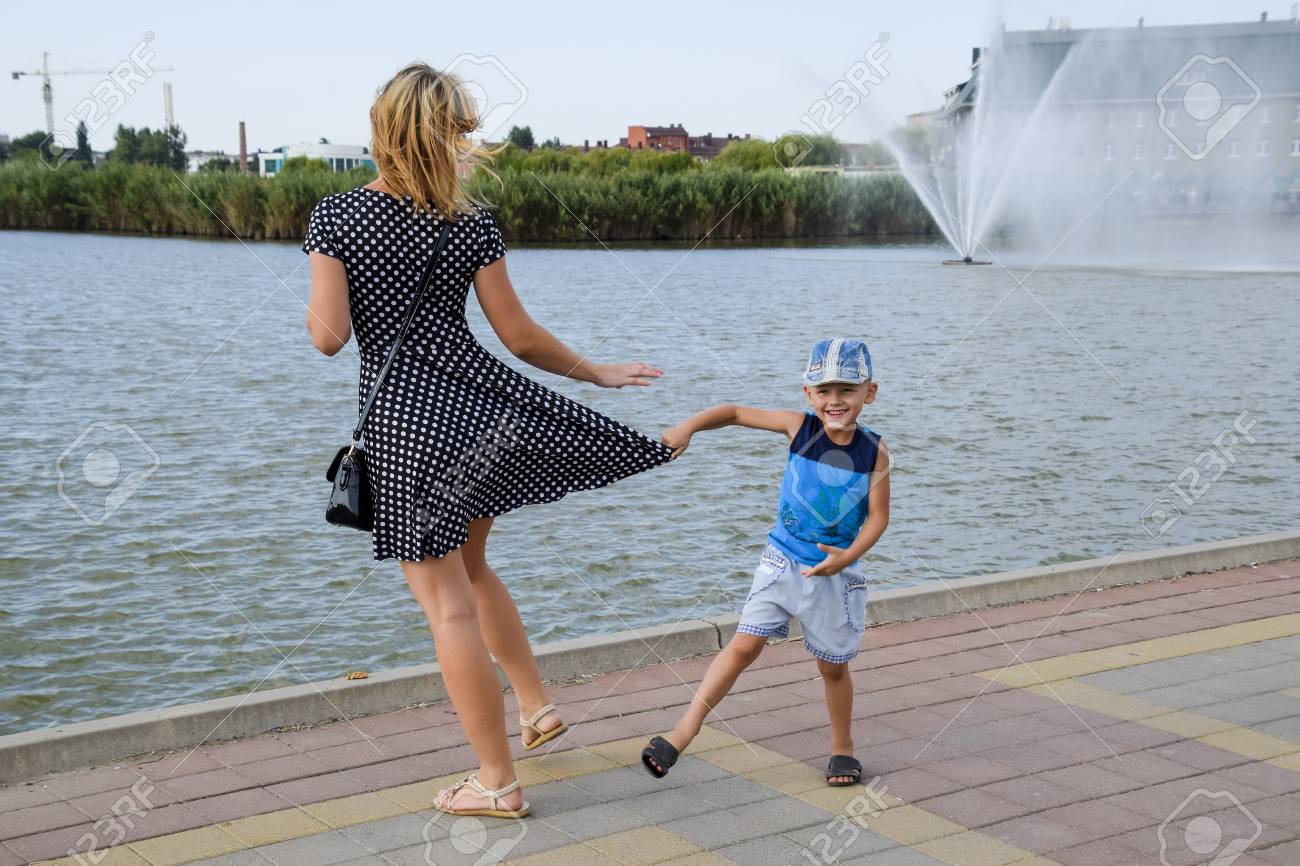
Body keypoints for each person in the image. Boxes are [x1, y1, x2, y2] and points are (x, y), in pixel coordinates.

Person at [303, 63, 673, 818]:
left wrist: (327, 280)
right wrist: (597, 373)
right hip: (482, 416)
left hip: (408, 427)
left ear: (381, 131)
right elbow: (519, 336)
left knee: (447, 608)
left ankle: (497, 782)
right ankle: (536, 706)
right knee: (471, 569)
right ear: (449, 135)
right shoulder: (471, 222)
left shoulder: (338, 216)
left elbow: (327, 338)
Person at [641, 338, 890, 787]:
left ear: (868, 393)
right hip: (780, 562)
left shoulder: (874, 452)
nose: (835, 401)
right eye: (824, 391)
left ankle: (842, 748)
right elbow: (736, 412)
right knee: (742, 646)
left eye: (847, 390)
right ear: (808, 394)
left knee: (833, 668)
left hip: (834, 575)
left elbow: (878, 517)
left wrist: (849, 556)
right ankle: (682, 732)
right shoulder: (799, 428)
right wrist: (688, 427)